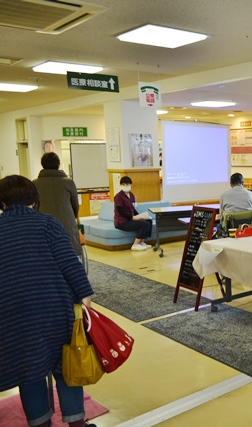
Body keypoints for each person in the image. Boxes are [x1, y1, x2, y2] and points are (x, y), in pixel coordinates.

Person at [0, 175, 95, 427]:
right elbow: (69, 263)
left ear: (2, 202)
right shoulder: (47, 223)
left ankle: (40, 422)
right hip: (54, 307)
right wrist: (85, 297)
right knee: (66, 364)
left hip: (12, 313)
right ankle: (76, 422)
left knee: (28, 369)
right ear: (34, 199)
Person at [33, 152, 83, 257]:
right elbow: (75, 205)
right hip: (67, 223)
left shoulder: (35, 183)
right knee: (69, 253)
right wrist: (72, 217)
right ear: (58, 164)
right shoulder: (68, 182)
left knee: (48, 254)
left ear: (43, 164)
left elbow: (35, 207)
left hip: (44, 224)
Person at [114, 176, 152, 251]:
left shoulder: (131, 195)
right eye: (123, 184)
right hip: (122, 222)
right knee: (145, 224)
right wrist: (133, 218)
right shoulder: (118, 196)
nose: (125, 186)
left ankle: (141, 242)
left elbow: (132, 208)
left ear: (131, 184)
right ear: (121, 185)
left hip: (130, 219)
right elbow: (121, 211)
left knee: (149, 221)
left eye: (127, 184)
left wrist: (139, 216)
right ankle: (135, 244)